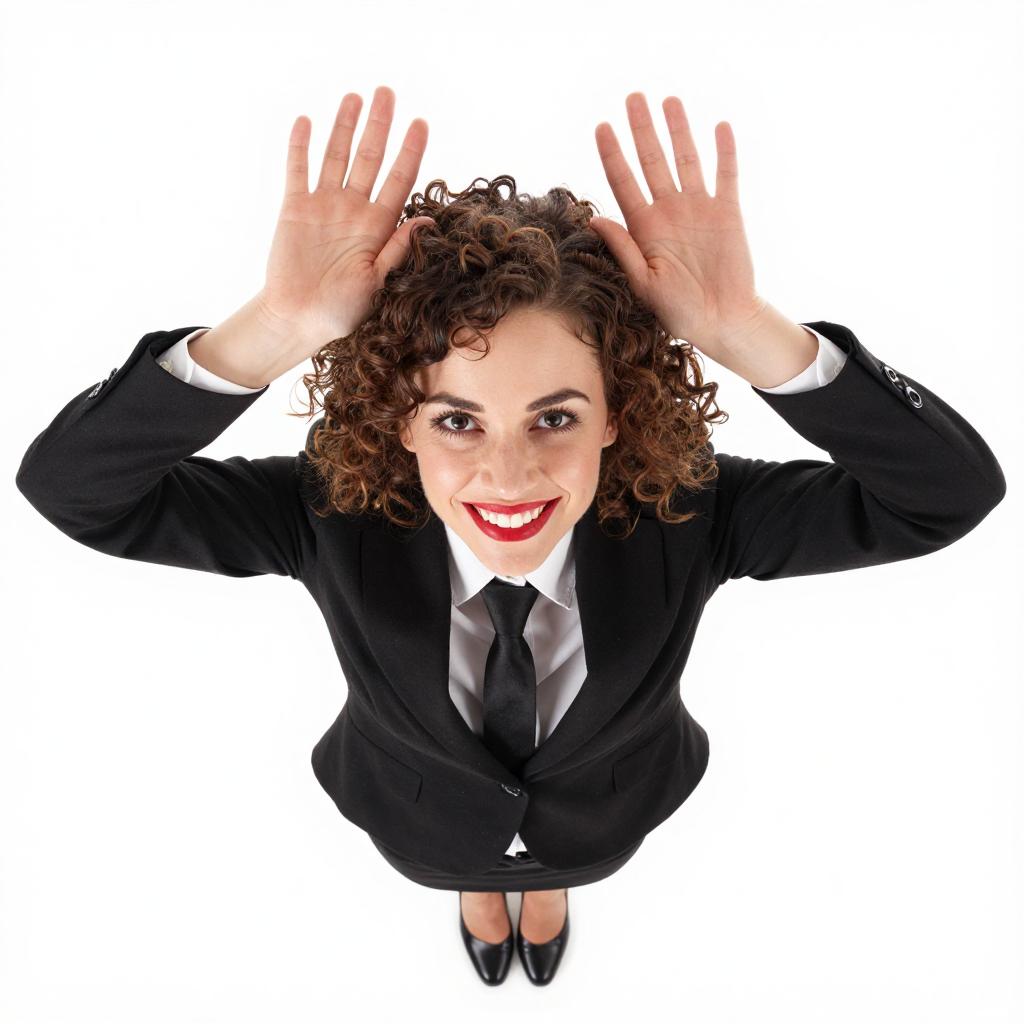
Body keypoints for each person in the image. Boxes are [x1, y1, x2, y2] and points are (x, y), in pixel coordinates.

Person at [15, 85, 1006, 988]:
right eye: (456, 420)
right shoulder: (329, 511)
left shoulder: (691, 511)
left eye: (554, 416)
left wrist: (745, 328)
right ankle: (478, 892)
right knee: (468, 875)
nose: (508, 474)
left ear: (615, 414)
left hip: (608, 816)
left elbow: (944, 495)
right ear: (398, 421)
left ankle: (548, 885)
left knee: (557, 868)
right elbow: (75, 490)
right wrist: (274, 327)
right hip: (416, 819)